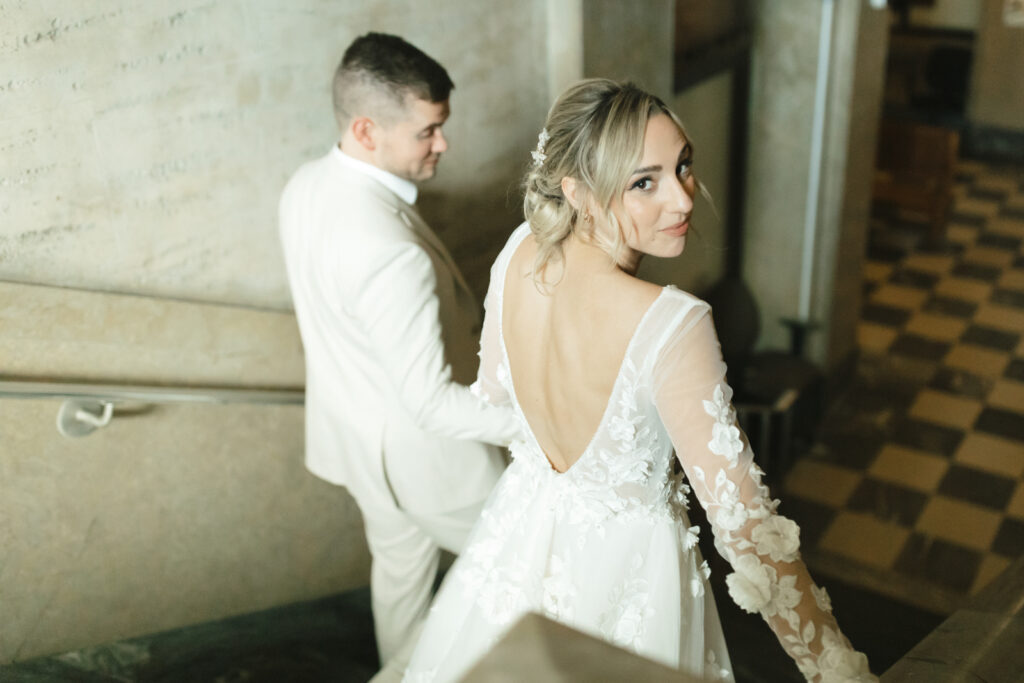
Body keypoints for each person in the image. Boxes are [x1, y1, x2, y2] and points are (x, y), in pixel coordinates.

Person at [402, 79, 877, 682]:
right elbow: (747, 530)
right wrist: (838, 670)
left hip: (520, 541)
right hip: (629, 578)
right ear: (578, 192)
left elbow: (495, 393)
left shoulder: (519, 252)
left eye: (682, 167)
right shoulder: (672, 324)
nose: (682, 200)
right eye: (643, 182)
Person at [277, 32, 519, 679]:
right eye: (428, 132)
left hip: (356, 444)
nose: (443, 145)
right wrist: (538, 418)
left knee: (401, 576)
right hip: (427, 463)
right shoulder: (389, 249)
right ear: (366, 128)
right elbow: (432, 403)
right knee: (518, 569)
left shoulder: (303, 187)